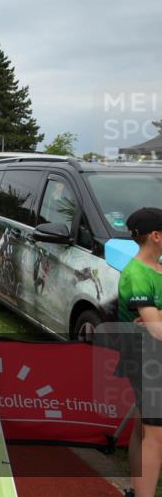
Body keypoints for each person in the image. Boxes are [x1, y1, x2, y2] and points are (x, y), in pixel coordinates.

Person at [117, 207, 162, 497]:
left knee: (144, 430)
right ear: (156, 236)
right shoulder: (136, 274)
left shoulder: (156, 270)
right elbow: (156, 329)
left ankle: (137, 490)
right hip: (147, 361)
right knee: (156, 438)